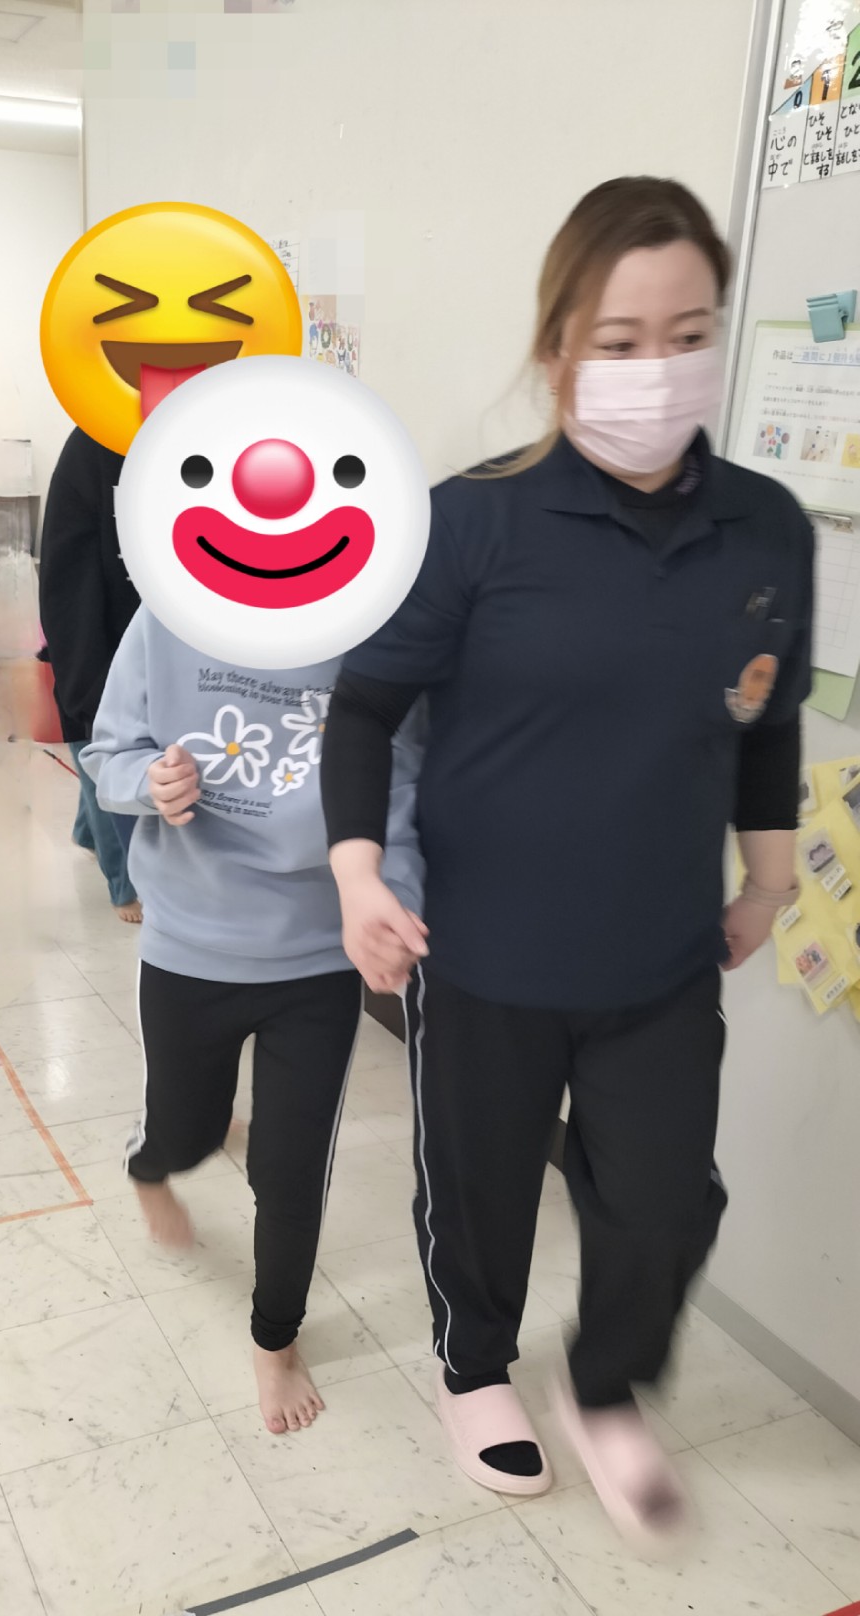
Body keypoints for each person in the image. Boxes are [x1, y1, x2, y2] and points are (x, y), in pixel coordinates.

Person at [320, 177, 812, 1552]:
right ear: (556, 350)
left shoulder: (767, 528)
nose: (659, 367)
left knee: (665, 1200)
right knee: (480, 1187)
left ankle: (605, 1387)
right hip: (484, 953)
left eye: (688, 333)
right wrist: (359, 878)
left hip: (663, 956)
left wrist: (768, 881)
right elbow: (363, 710)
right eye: (619, 337)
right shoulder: (470, 521)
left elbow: (766, 719)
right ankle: (475, 1367)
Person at [82, 608, 425, 1435]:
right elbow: (106, 756)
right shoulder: (170, 613)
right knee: (184, 1131)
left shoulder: (376, 623)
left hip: (317, 957)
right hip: (189, 944)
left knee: (292, 1170)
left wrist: (397, 905)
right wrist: (147, 783)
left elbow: (404, 787)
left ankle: (276, 1339)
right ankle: (150, 1166)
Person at [37, 427, 141, 921]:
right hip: (97, 637)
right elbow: (67, 581)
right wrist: (83, 679)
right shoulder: (93, 443)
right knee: (99, 738)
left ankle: (85, 830)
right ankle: (123, 885)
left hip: (149, 630)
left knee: (118, 754)